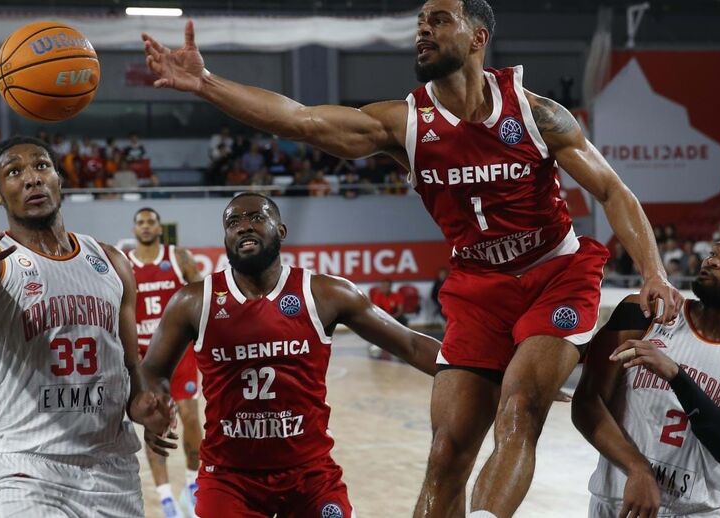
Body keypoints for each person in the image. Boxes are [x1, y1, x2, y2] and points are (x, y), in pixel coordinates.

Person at [142, 1, 682, 514]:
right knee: (446, 451)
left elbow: (613, 191)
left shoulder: (536, 113)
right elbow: (301, 120)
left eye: (439, 21)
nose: (422, 30)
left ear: (477, 37)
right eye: (419, 22)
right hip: (478, 286)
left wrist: (654, 272)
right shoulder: (405, 124)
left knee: (518, 408)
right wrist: (204, 84)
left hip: (554, 275)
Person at [139, 193, 442, 517]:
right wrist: (154, 404)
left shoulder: (325, 293)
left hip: (310, 475)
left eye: (256, 217)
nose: (243, 227)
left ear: (281, 231)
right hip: (229, 477)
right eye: (233, 222)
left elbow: (411, 345)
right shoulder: (193, 301)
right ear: (225, 237)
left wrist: (479, 373)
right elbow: (151, 369)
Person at [0, 136, 172, 517]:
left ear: (59, 178)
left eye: (41, 166)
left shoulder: (111, 260)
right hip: (27, 465)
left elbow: (130, 363)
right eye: (15, 172)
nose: (32, 178)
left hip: (112, 468)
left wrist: (142, 403)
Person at [572, 231, 720, 518]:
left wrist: (676, 375)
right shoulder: (644, 312)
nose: (712, 261)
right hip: (620, 501)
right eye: (714, 252)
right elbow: (586, 403)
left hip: (695, 511)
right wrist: (637, 469)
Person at [129, 207, 204, 518]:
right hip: (145, 357)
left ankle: (192, 484)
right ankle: (166, 499)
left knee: (189, 416)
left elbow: (201, 294)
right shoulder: (125, 262)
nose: (146, 226)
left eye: (151, 221)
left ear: (160, 227)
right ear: (134, 229)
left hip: (178, 352)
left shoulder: (178, 257)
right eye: (140, 222)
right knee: (154, 423)